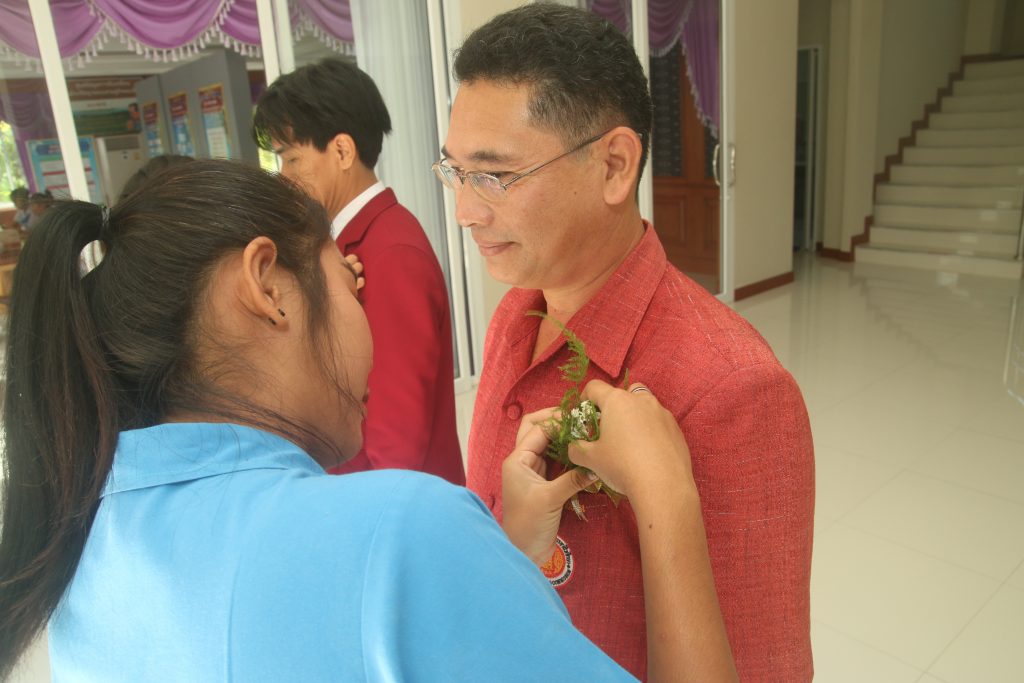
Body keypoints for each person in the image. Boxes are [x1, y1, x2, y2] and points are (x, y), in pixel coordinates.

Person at [0, 160, 736, 681]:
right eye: (348, 287)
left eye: (496, 174)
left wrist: (495, 564)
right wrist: (664, 489)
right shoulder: (402, 530)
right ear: (267, 287)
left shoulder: (75, 536)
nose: (468, 211)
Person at [438, 5, 815, 681]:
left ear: (614, 165)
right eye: (456, 171)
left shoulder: (733, 388)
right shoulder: (514, 316)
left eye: (495, 175)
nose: (466, 210)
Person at [252, 58, 464, 485]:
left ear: (342, 151)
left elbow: (396, 443)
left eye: (291, 159)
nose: (284, 177)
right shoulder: (346, 243)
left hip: (394, 506)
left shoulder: (390, 253)